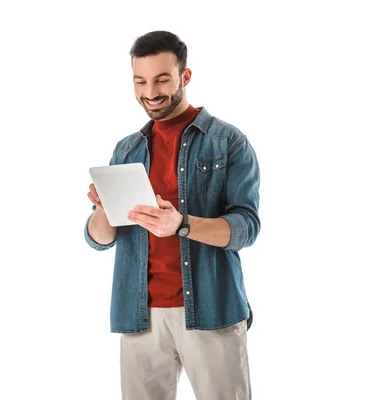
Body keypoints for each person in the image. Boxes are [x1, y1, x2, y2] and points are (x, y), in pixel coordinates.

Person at [84, 30, 260, 400]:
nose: (150, 91)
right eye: (140, 81)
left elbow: (245, 228)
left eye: (162, 79)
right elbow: (101, 239)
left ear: (185, 76)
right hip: (139, 315)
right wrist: (102, 208)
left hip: (211, 310)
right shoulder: (127, 149)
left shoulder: (228, 142)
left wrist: (181, 224)